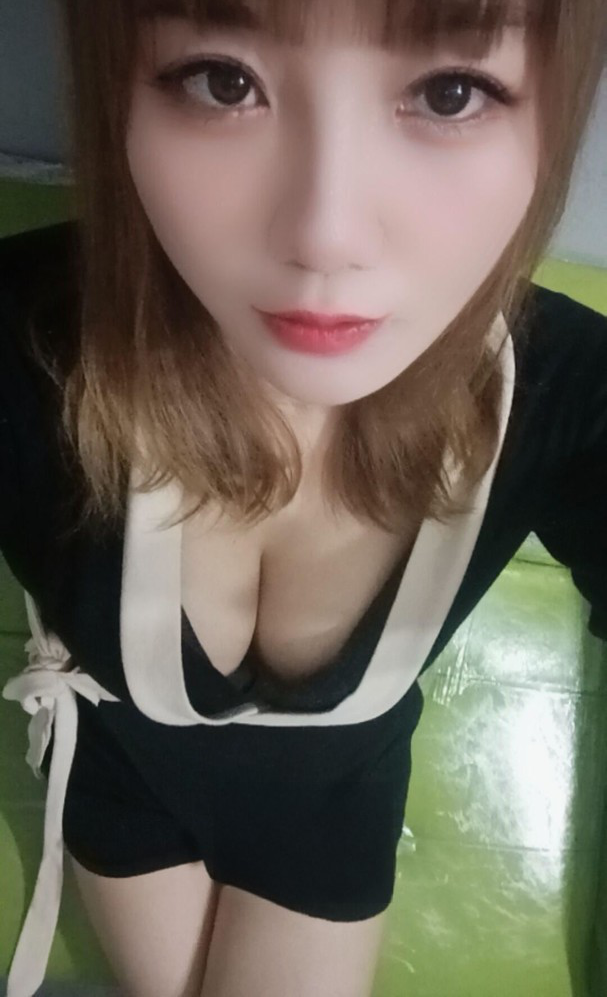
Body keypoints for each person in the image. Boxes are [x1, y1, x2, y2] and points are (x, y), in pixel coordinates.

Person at [1, 0, 606, 995]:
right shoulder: (30, 343)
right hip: (121, 783)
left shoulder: (568, 394)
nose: (325, 236)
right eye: (222, 80)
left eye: (448, 92)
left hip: (331, 815)